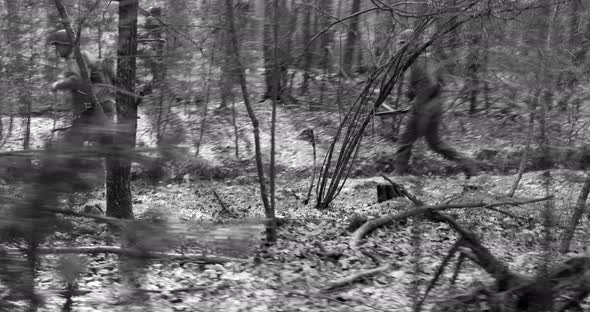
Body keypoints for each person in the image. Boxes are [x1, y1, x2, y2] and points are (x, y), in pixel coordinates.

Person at [393, 28, 477, 177]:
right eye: (399, 44)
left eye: (402, 43)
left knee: (405, 139)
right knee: (435, 143)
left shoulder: (420, 61)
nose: (400, 47)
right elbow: (432, 83)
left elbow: (429, 85)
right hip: (434, 106)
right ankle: (466, 161)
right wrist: (412, 95)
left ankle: (399, 173)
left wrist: (418, 104)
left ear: (411, 43)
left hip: (426, 108)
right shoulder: (424, 59)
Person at [49, 29, 116, 147]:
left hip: (97, 108)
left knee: (71, 144)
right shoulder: (79, 56)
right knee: (105, 146)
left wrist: (58, 85)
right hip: (101, 106)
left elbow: (78, 80)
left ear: (67, 45)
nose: (57, 49)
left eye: (58, 45)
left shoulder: (77, 57)